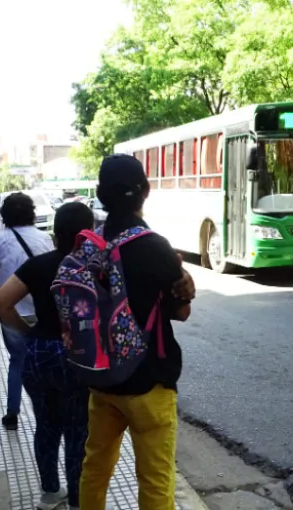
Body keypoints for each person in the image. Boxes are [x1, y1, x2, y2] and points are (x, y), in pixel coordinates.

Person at [78, 154, 194, 510]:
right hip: (149, 383)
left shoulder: (88, 245)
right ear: (145, 190)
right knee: (155, 479)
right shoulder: (154, 246)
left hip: (102, 380)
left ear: (100, 193)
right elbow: (181, 312)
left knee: (95, 467)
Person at [0, 201, 95, 510]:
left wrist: (28, 332)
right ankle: (77, 500)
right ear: (88, 234)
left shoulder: (38, 265)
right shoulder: (93, 268)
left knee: (47, 424)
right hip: (79, 356)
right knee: (78, 429)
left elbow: (1, 302)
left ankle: (50, 493)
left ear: (55, 233)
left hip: (41, 353)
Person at [0, 192, 54, 431]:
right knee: (45, 361)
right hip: (41, 309)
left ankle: (12, 413)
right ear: (31, 213)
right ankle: (46, 410)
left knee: (17, 361)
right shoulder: (44, 238)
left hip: (11, 310)